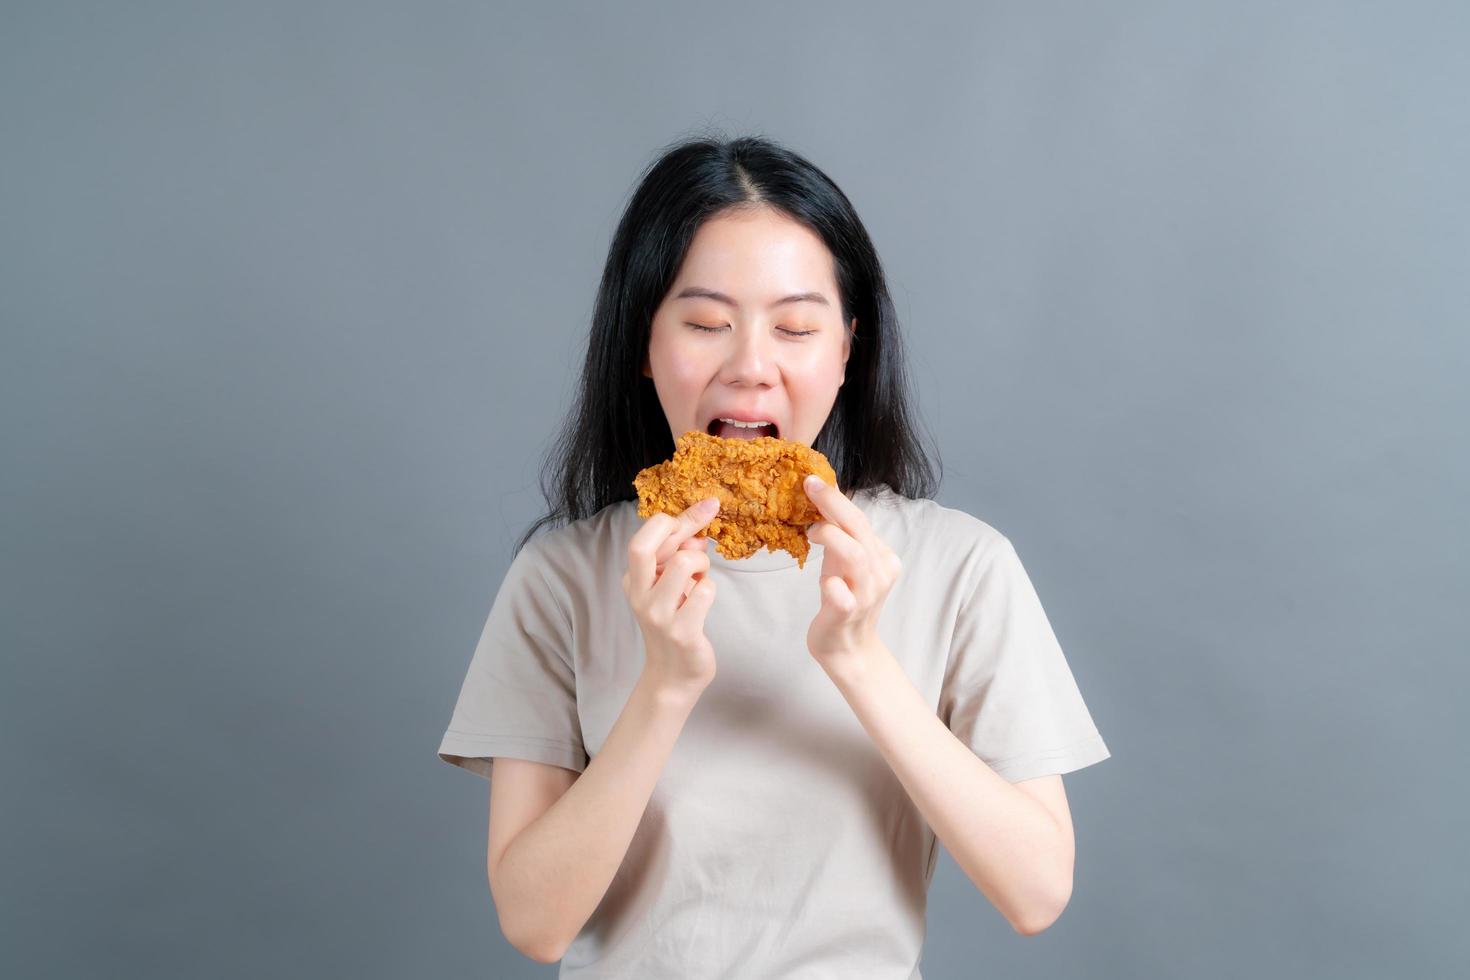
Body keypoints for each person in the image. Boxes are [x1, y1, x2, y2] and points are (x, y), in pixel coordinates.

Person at [436, 133, 1111, 977]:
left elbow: (1036, 892)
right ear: (643, 347)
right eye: (706, 323)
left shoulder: (959, 566)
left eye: (795, 327)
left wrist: (860, 660)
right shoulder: (564, 576)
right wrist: (666, 685)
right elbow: (534, 924)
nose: (751, 367)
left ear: (847, 350)